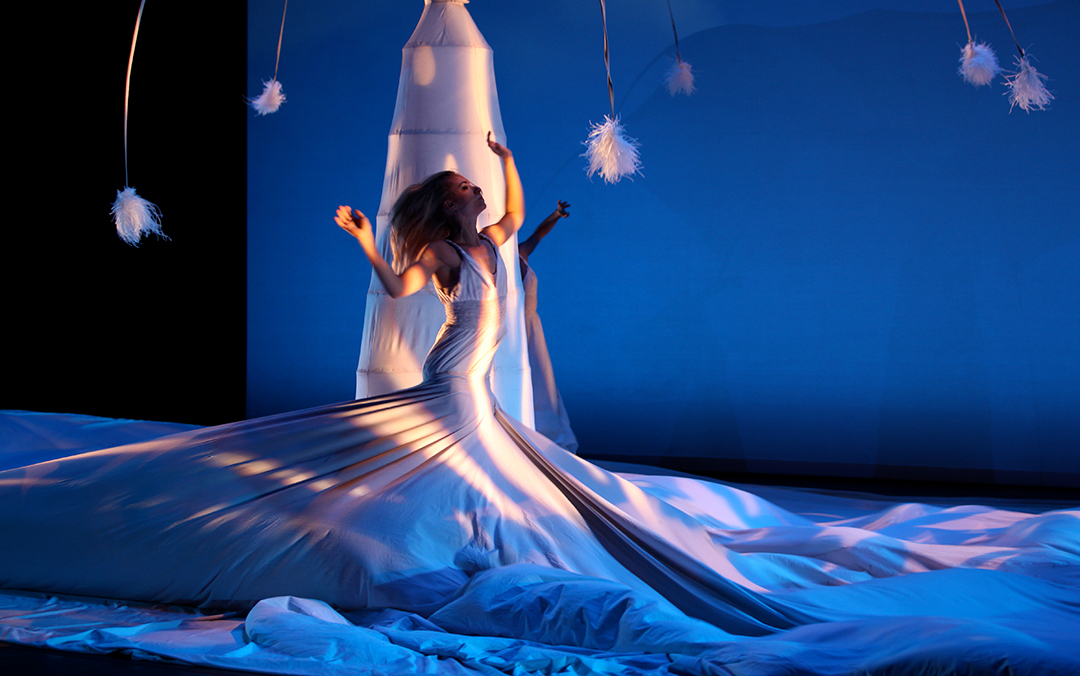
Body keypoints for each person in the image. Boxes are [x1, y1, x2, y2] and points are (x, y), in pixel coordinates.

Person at [1, 136, 1077, 674]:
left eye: (473, 197)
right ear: (448, 209)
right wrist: (358, 239)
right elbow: (393, 286)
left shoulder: (495, 241)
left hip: (468, 406)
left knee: (495, 504)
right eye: (465, 193)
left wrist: (510, 180)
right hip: (447, 401)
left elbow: (508, 215)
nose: (474, 198)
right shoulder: (449, 252)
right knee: (382, 498)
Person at [516, 200, 579, 452]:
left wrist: (555, 215)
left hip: (531, 327)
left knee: (541, 382)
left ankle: (547, 438)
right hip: (512, 329)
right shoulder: (492, 263)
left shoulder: (520, 252)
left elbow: (538, 234)